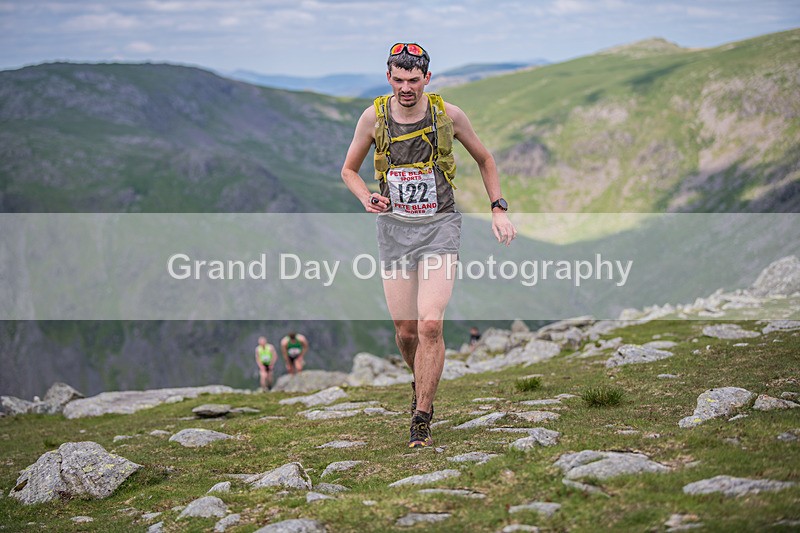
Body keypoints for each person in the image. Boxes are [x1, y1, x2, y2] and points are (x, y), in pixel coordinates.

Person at [341, 42, 516, 448]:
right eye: (398, 80)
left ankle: (422, 415)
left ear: (427, 79)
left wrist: (498, 208)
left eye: (413, 80)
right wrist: (367, 197)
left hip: (440, 227)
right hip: (394, 230)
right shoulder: (374, 117)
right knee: (406, 332)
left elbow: (485, 159)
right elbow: (349, 170)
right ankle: (420, 379)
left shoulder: (448, 115)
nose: (406, 87)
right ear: (388, 78)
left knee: (431, 324)